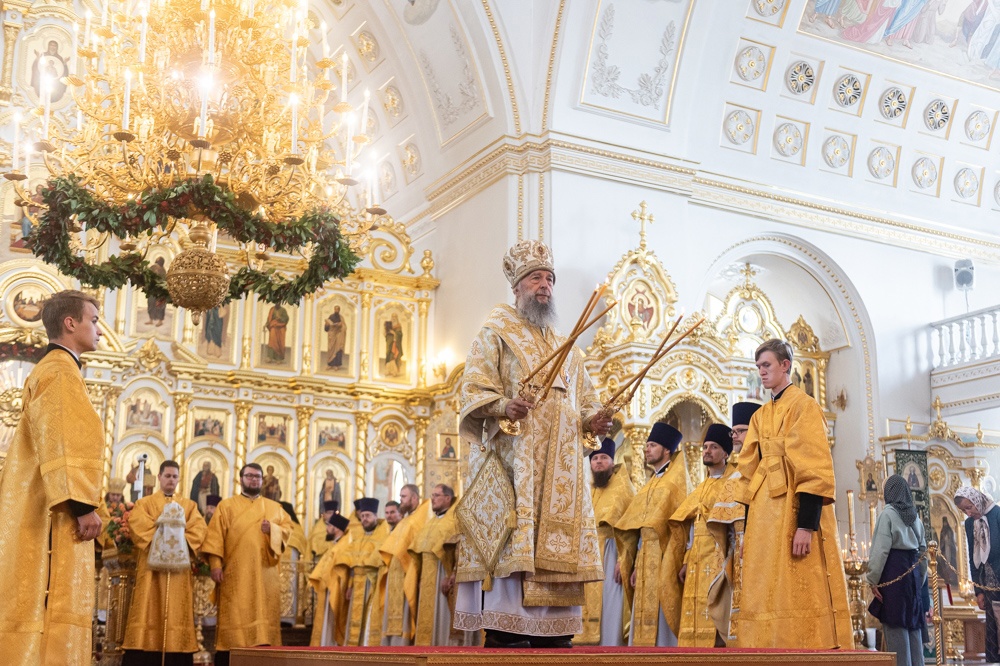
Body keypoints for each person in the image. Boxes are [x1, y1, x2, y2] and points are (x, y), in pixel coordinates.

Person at [455, 240, 612, 648]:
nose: (545, 285)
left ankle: (554, 635)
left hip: (559, 480)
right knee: (517, 551)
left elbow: (587, 407)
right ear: (517, 286)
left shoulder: (568, 349)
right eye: (535, 278)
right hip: (515, 469)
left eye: (549, 279)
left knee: (557, 632)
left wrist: (595, 420)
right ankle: (506, 631)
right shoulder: (496, 333)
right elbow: (471, 389)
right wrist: (505, 405)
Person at [0, 290, 104, 666]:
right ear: (70, 323)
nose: (100, 331)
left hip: (42, 506)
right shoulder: (61, 372)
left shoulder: (51, 368)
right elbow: (63, 441)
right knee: (51, 606)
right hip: (55, 515)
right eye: (93, 320)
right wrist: (83, 506)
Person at [736, 338, 851, 648]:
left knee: (796, 583)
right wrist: (746, 531)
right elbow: (747, 474)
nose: (761, 371)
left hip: (792, 511)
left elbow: (813, 468)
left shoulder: (804, 406)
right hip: (763, 517)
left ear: (785, 365)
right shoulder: (760, 416)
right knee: (765, 587)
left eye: (766, 365)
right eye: (758, 366)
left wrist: (806, 525)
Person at [201, 463, 291, 666]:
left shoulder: (275, 508)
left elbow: (288, 530)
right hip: (235, 574)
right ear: (241, 479)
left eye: (257, 477)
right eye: (249, 476)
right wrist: (215, 565)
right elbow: (215, 538)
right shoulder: (226, 506)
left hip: (265, 575)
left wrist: (273, 530)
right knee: (234, 617)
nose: (254, 480)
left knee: (263, 618)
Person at [121, 461, 207, 666]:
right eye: (167, 476)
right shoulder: (145, 503)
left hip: (179, 574)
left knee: (177, 610)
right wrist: (169, 539)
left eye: (174, 476)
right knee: (148, 607)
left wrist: (179, 543)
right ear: (159, 477)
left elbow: (199, 529)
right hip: (151, 570)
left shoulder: (189, 505)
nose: (171, 480)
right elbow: (137, 524)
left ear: (179, 479)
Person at [615, 422, 686, 647]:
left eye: (652, 445)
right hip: (646, 555)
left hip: (666, 556)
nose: (646, 449)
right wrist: (635, 565)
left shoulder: (674, 484)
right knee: (642, 615)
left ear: (666, 450)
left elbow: (681, 526)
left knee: (662, 616)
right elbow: (640, 526)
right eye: (646, 445)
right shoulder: (651, 483)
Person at [666, 424, 735, 647]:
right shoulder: (702, 486)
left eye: (714, 447)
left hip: (718, 561)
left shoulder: (732, 484)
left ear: (725, 453)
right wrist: (685, 560)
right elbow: (692, 529)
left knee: (716, 617)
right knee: (694, 617)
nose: (707, 451)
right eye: (705, 446)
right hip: (696, 563)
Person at [709, 400, 761, 644]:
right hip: (739, 557)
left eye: (741, 431)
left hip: (764, 553)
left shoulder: (766, 468)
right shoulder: (734, 475)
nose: (735, 437)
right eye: (734, 432)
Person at [578, 437, 635, 646]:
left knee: (610, 607)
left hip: (611, 554)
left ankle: (610, 648)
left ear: (612, 461)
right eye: (595, 459)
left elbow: (629, 530)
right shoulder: (589, 489)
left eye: (604, 458)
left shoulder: (624, 489)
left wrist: (624, 560)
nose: (598, 462)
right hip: (587, 555)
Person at [867, 475, 927, 666]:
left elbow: (880, 550)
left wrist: (873, 580)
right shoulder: (915, 516)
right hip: (913, 576)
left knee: (896, 627)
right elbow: (923, 552)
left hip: (894, 573)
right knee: (913, 627)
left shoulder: (888, 514)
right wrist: (920, 580)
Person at [411, 484, 474, 645]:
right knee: (427, 618)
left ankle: (441, 649)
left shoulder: (454, 519)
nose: (432, 498)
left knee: (441, 617)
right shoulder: (431, 522)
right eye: (432, 495)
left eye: (436, 495)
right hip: (427, 577)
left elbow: (459, 548)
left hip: (442, 574)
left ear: (448, 498)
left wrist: (452, 573)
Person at [378, 486, 430, 646]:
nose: (401, 499)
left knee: (405, 615)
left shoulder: (418, 520)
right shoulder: (406, 521)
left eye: (403, 496)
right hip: (395, 576)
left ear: (414, 498)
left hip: (408, 574)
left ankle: (401, 647)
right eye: (400, 496)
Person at [954, 485, 1000, 662]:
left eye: (969, 507)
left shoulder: (996, 514)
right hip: (986, 583)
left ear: (977, 500)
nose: (968, 513)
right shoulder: (969, 524)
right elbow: (973, 557)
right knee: (992, 628)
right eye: (963, 510)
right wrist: (978, 591)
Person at [341, 497, 390, 645]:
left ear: (375, 516)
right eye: (362, 516)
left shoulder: (383, 533)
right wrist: (349, 585)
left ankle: (367, 647)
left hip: (371, 583)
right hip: (357, 584)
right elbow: (352, 564)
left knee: (369, 618)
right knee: (354, 620)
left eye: (368, 516)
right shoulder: (358, 536)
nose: (365, 519)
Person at [308, 513, 352, 646]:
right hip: (327, 588)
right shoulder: (335, 545)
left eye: (329, 526)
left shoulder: (343, 546)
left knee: (333, 622)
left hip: (336, 589)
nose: (327, 528)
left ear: (337, 528)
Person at [146, 257, 168, 326]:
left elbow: (164, 280)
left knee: (160, 306)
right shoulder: (153, 267)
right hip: (152, 290)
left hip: (160, 291)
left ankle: (160, 321)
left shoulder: (163, 270)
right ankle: (151, 319)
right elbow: (148, 276)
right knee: (151, 304)